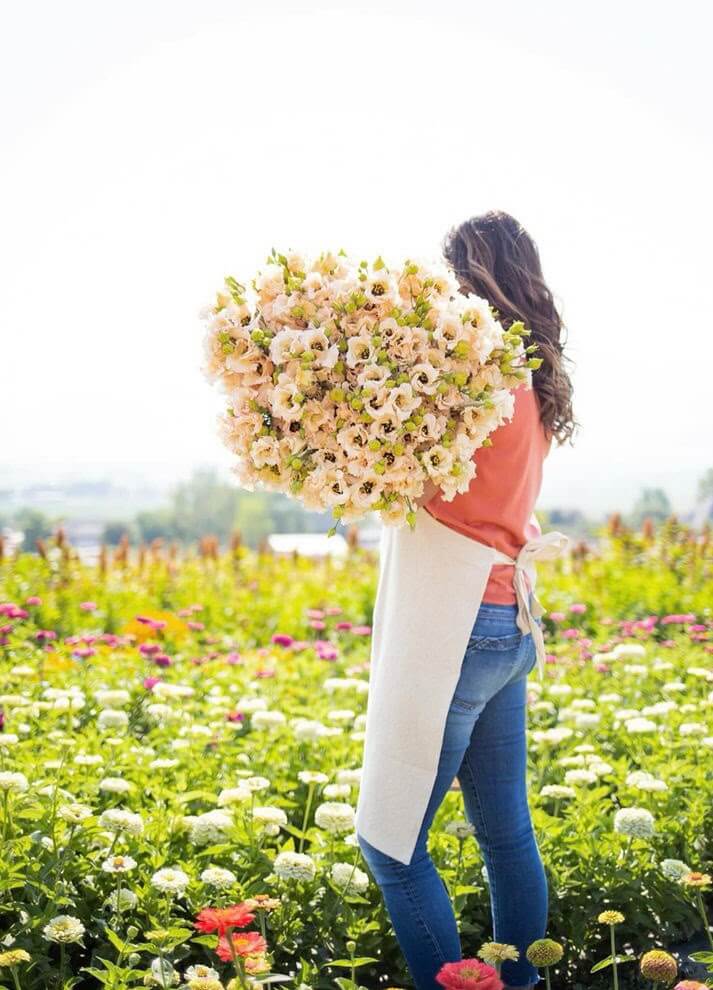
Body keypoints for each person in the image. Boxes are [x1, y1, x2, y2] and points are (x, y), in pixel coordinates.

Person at [356, 211, 576, 990]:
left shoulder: (469, 378)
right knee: (505, 834)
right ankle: (516, 984)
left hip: (453, 625)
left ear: (472, 278)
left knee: (387, 844)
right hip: (504, 621)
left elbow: (397, 474)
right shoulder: (532, 381)